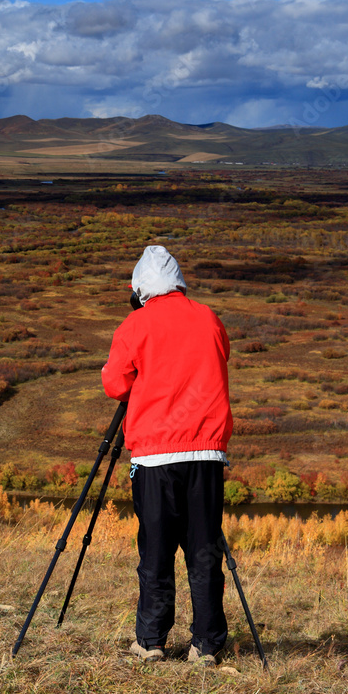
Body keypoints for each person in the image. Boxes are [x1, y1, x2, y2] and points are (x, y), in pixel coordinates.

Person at [101, 244, 233, 665]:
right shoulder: (209, 317)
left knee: (156, 552)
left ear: (140, 289)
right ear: (178, 283)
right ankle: (207, 645)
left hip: (156, 458)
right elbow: (221, 357)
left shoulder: (135, 325)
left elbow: (115, 386)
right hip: (206, 455)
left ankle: (151, 641)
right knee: (204, 552)